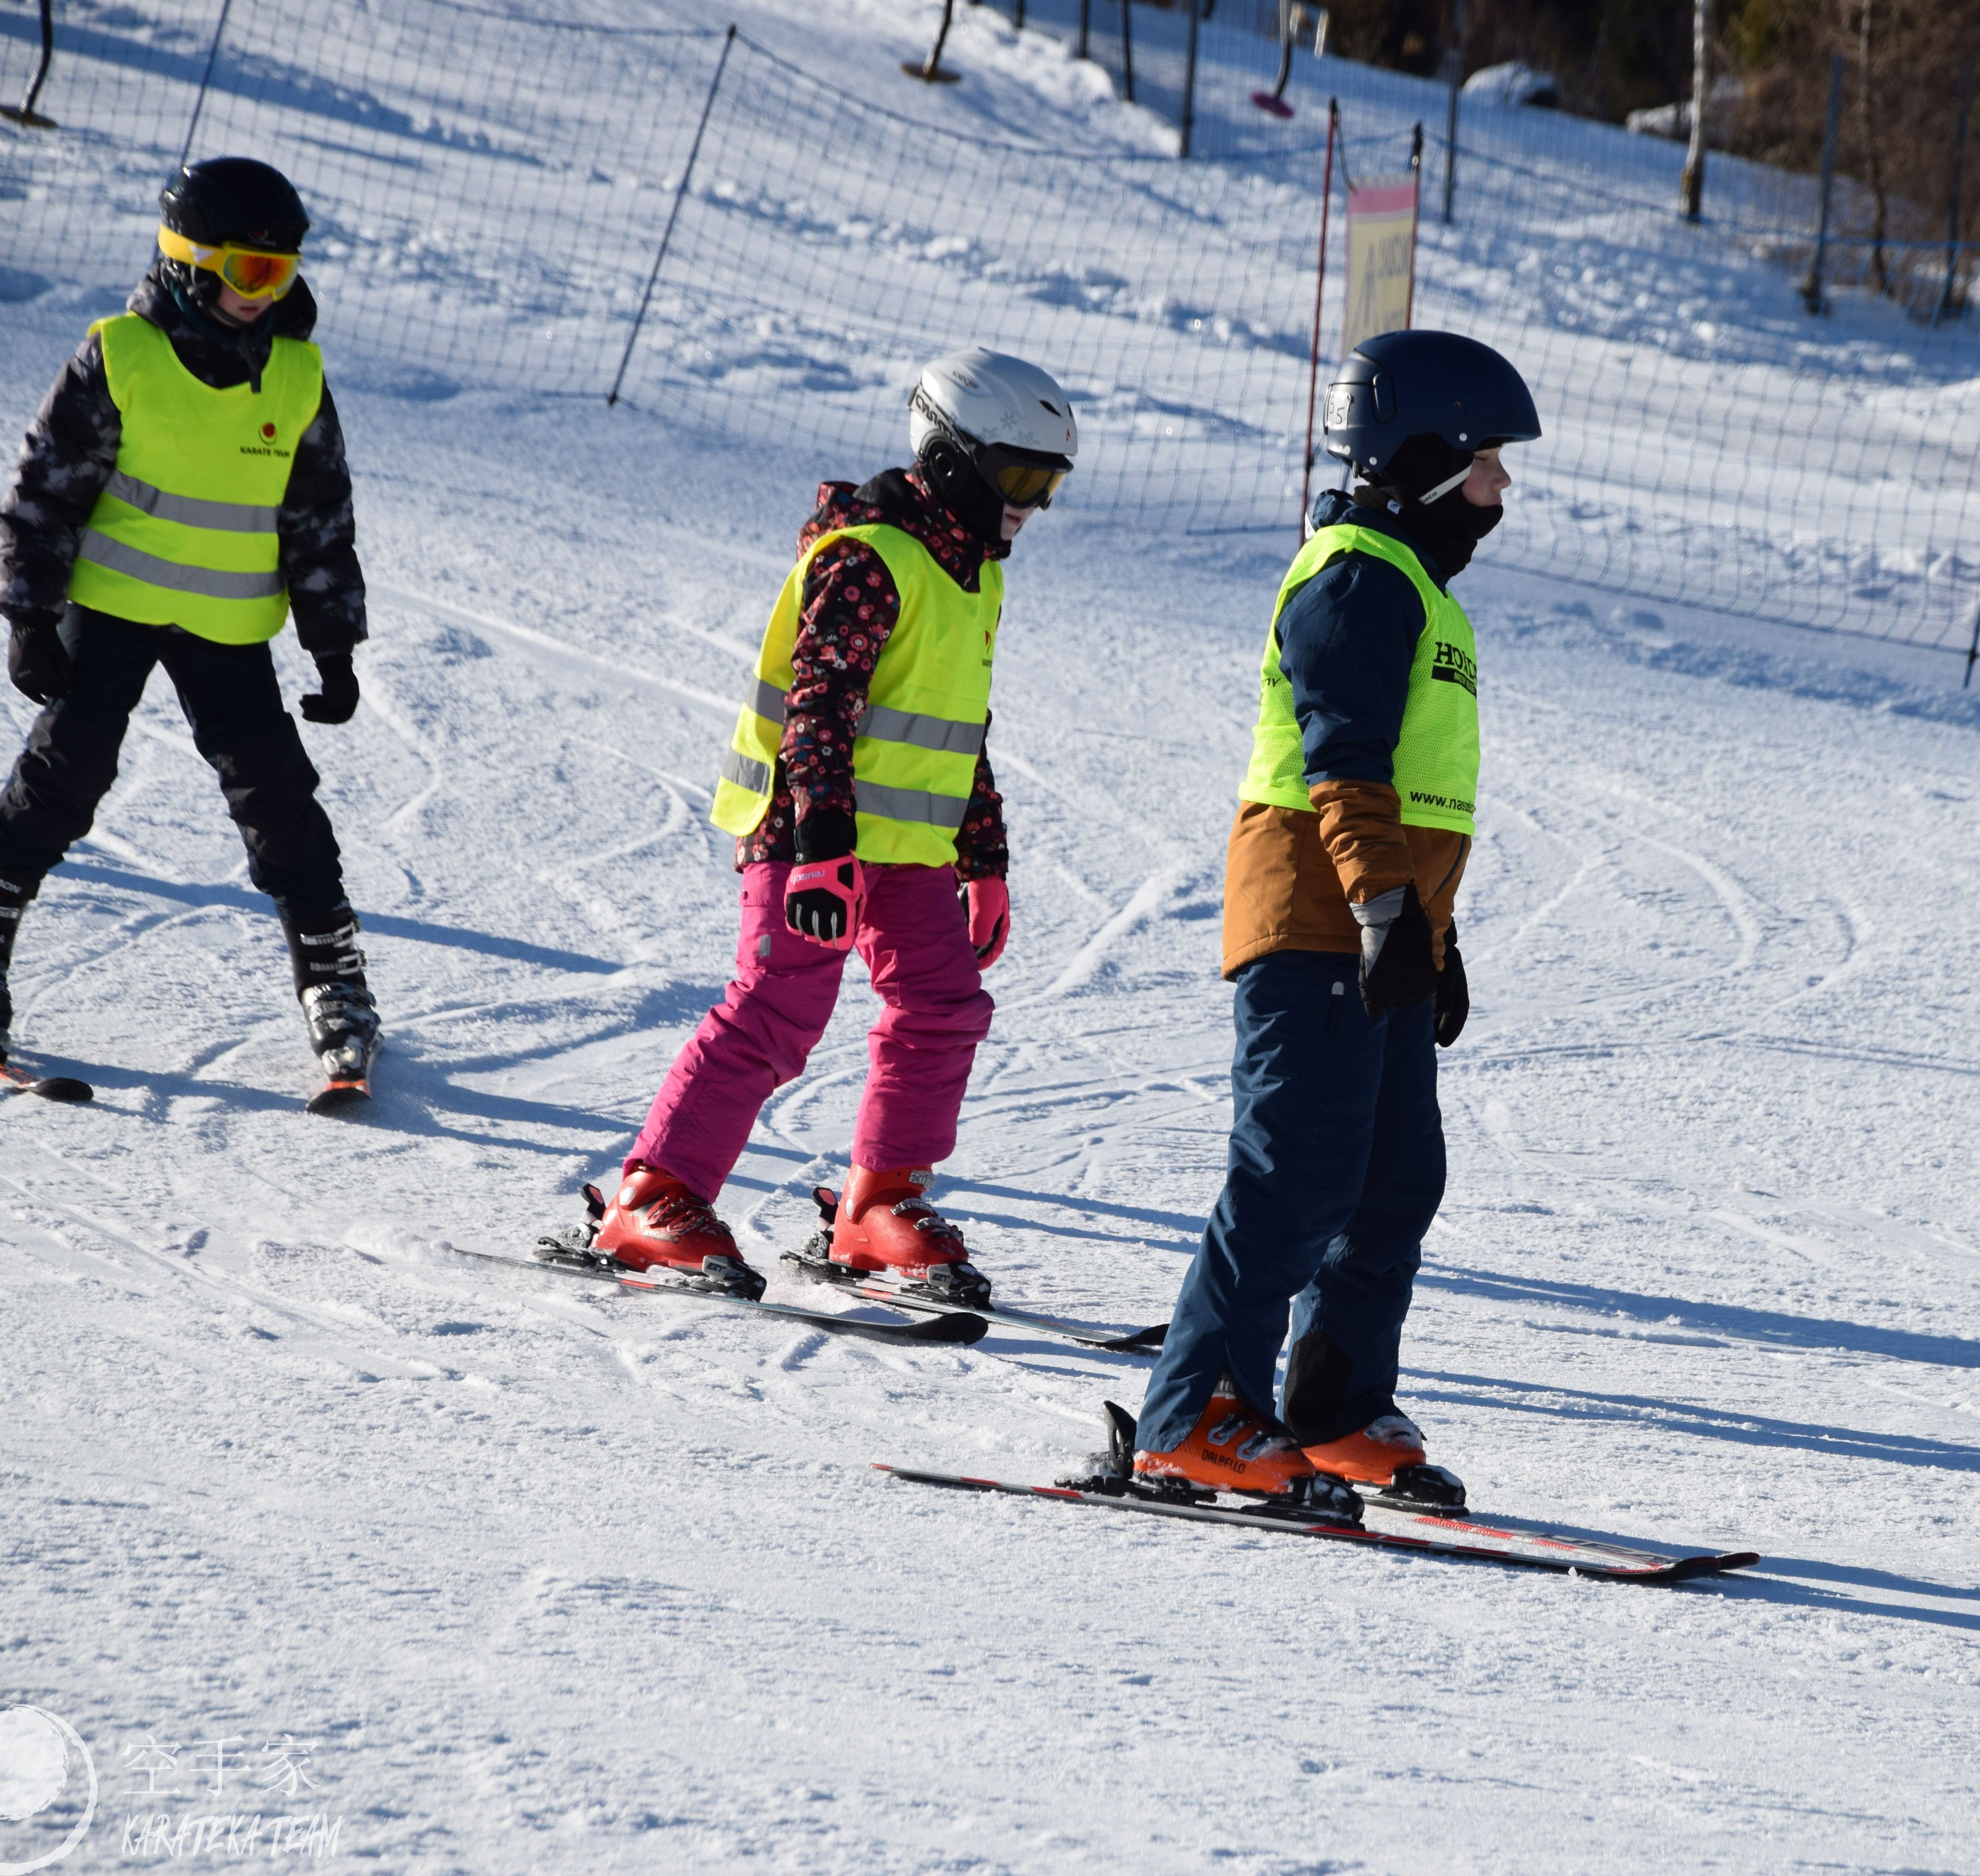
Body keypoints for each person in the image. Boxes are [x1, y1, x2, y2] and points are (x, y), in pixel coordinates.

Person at [1104, 329, 1540, 1514]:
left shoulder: (1416, 587)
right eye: (1486, 461)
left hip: (1382, 924)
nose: (1502, 487)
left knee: (1396, 1178)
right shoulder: (1354, 576)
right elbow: (1343, 762)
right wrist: (1385, 908)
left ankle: (1334, 1406)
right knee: (1297, 1169)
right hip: (1317, 916)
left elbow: (1418, 791)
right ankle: (1196, 1416)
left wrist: (1433, 935)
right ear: (1425, 456)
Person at [580, 348, 1073, 1303]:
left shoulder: (974, 573)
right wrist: (821, 848)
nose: (1033, 507)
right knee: (778, 1009)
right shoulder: (868, 555)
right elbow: (820, 704)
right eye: (1020, 479)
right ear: (953, 459)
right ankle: (653, 1193)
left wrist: (984, 859)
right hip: (811, 832)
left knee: (943, 1006)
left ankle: (878, 1202)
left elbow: (959, 728)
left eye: (1048, 486)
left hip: (908, 851)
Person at [0, 157, 379, 1096]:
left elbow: (318, 518)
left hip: (227, 626)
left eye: (282, 273)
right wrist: (30, 614)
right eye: (249, 271)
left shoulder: (295, 375)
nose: (265, 294)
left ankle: (333, 976)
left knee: (277, 796)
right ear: (188, 260)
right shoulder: (123, 355)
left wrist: (332, 643)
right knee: (66, 773)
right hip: (110, 610)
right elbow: (45, 492)